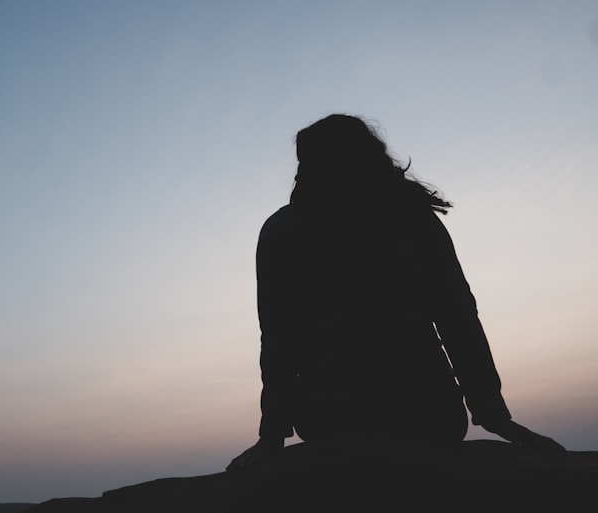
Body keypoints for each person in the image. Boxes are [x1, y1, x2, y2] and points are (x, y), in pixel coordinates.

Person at [227, 114, 564, 470]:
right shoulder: (412, 217)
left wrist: (273, 434)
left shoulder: (283, 231)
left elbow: (279, 339)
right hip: (428, 413)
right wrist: (492, 413)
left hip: (332, 418)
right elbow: (458, 317)